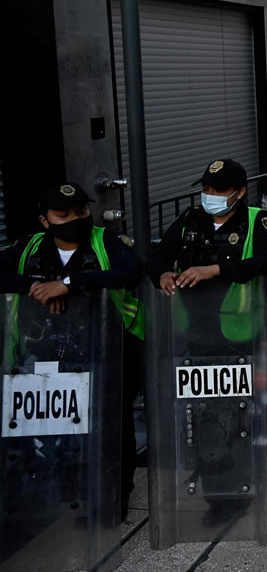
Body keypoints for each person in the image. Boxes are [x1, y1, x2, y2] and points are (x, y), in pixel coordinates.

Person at [144, 158, 267, 525]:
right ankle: (221, 494)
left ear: (240, 192)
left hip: (241, 335)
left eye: (218, 191)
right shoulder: (190, 221)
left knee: (242, 414)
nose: (210, 197)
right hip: (194, 335)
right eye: (205, 190)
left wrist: (215, 269)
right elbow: (156, 256)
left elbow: (265, 262)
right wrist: (162, 275)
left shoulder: (258, 221)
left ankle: (244, 480)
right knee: (207, 417)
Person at [0, 182, 144, 520]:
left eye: (80, 211)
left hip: (109, 347)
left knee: (111, 424)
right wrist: (34, 288)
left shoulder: (107, 240)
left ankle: (114, 495)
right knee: (62, 424)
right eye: (63, 214)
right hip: (48, 349)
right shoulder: (31, 247)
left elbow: (129, 272)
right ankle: (66, 489)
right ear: (44, 220)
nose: (75, 219)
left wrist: (68, 284)